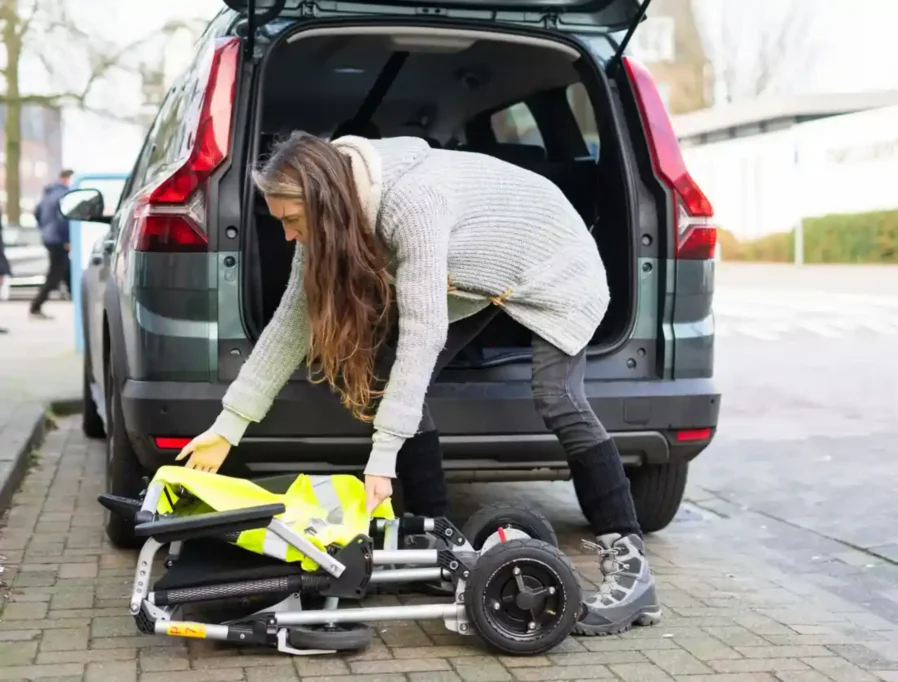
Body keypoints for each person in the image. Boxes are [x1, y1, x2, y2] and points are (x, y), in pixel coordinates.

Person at [175, 131, 660, 636]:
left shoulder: (412, 202)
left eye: (291, 221)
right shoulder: (330, 210)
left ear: (323, 203)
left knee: (557, 397)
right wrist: (228, 426)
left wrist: (382, 456)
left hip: (555, 262)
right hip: (477, 267)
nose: (287, 236)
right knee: (390, 375)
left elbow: (423, 335)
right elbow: (290, 325)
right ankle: (438, 544)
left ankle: (632, 570)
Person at [29, 169, 73, 319]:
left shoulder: (47, 195)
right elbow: (63, 220)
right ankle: (36, 306)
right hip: (58, 239)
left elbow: (37, 213)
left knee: (66, 270)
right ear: (66, 179)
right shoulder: (63, 194)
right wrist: (67, 239)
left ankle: (78, 300)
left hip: (49, 238)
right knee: (55, 275)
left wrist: (44, 229)